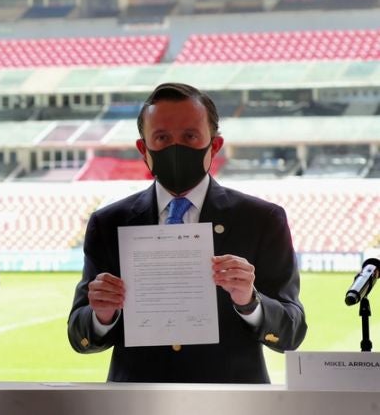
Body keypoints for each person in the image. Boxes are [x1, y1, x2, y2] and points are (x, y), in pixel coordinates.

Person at [68, 82, 307, 383]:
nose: (175, 147)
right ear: (144, 149)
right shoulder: (109, 223)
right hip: (137, 402)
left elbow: (292, 332)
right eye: (162, 137)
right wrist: (102, 315)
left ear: (214, 145)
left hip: (233, 402)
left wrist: (250, 301)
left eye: (190, 136)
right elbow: (79, 336)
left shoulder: (261, 220)